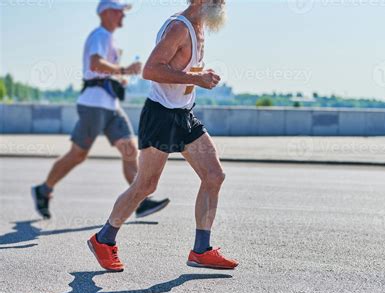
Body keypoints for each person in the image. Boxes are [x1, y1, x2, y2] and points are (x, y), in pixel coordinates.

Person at [87, 0, 238, 272]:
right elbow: (151, 70)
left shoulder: (198, 27)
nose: (223, 3)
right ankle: (104, 238)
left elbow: (175, 67)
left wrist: (198, 75)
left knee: (214, 175)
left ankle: (201, 249)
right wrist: (198, 78)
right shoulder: (180, 28)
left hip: (183, 115)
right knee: (145, 185)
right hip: (161, 116)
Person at [31, 0, 170, 220]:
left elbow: (102, 70)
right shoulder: (99, 35)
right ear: (107, 13)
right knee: (78, 154)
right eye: (120, 12)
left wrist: (120, 78)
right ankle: (44, 189)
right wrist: (123, 69)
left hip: (110, 105)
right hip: (93, 105)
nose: (123, 16)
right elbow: (95, 64)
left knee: (130, 151)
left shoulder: (110, 39)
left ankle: (140, 202)